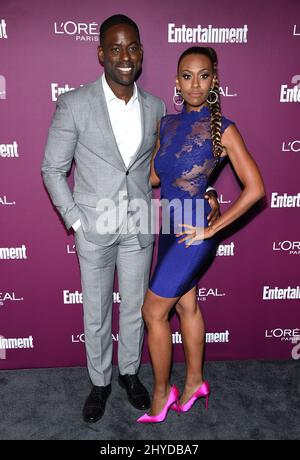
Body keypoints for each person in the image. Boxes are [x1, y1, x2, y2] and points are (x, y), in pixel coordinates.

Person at [41, 16, 220, 424]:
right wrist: (75, 221)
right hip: (94, 225)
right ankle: (100, 382)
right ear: (102, 53)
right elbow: (52, 169)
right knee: (97, 310)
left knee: (139, 309)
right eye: (116, 48)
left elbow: (173, 165)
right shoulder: (74, 102)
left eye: (133, 47)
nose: (125, 56)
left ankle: (128, 374)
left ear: (141, 53)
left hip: (140, 223)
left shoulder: (157, 106)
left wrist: (207, 191)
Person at [137, 46, 265, 423]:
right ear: (177, 83)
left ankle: (162, 395)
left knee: (152, 311)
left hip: (194, 233)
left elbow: (256, 188)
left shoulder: (225, 128)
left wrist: (213, 226)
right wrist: (208, 190)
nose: (195, 83)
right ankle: (195, 383)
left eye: (203, 75)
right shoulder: (166, 124)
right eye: (187, 76)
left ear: (214, 80)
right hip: (167, 224)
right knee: (186, 305)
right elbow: (157, 177)